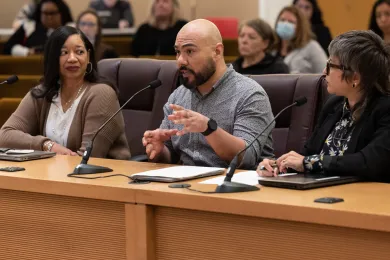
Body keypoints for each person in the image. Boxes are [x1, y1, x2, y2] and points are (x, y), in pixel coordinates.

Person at [257, 30, 390, 182]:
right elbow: (308, 155)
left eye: (331, 65)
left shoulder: (385, 109)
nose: (324, 71)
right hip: (325, 194)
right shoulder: (334, 105)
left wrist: (307, 163)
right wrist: (279, 164)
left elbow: (369, 162)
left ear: (355, 77)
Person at [142, 19, 274, 169]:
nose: (180, 61)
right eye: (178, 52)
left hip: (238, 187)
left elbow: (247, 158)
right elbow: (171, 155)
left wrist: (208, 128)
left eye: (189, 51)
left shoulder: (250, 94)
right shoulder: (178, 96)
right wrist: (159, 150)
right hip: (188, 186)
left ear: (217, 52)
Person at [0, 26, 130, 160]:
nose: (72, 58)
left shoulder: (102, 94)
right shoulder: (42, 93)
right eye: (64, 52)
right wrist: (47, 145)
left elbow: (88, 158)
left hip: (101, 177)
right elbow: (4, 135)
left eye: (79, 52)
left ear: (88, 56)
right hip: (52, 175)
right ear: (53, 57)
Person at [4, 0, 73, 56]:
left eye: (52, 13)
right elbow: (8, 47)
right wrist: (27, 52)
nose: (49, 17)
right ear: (40, 13)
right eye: (45, 13)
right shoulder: (29, 26)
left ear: (62, 13)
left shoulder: (71, 28)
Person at [274, 5, 327, 74]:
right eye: (282, 20)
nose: (285, 24)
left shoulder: (312, 46)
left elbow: (325, 73)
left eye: (291, 22)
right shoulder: (272, 47)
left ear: (300, 26)